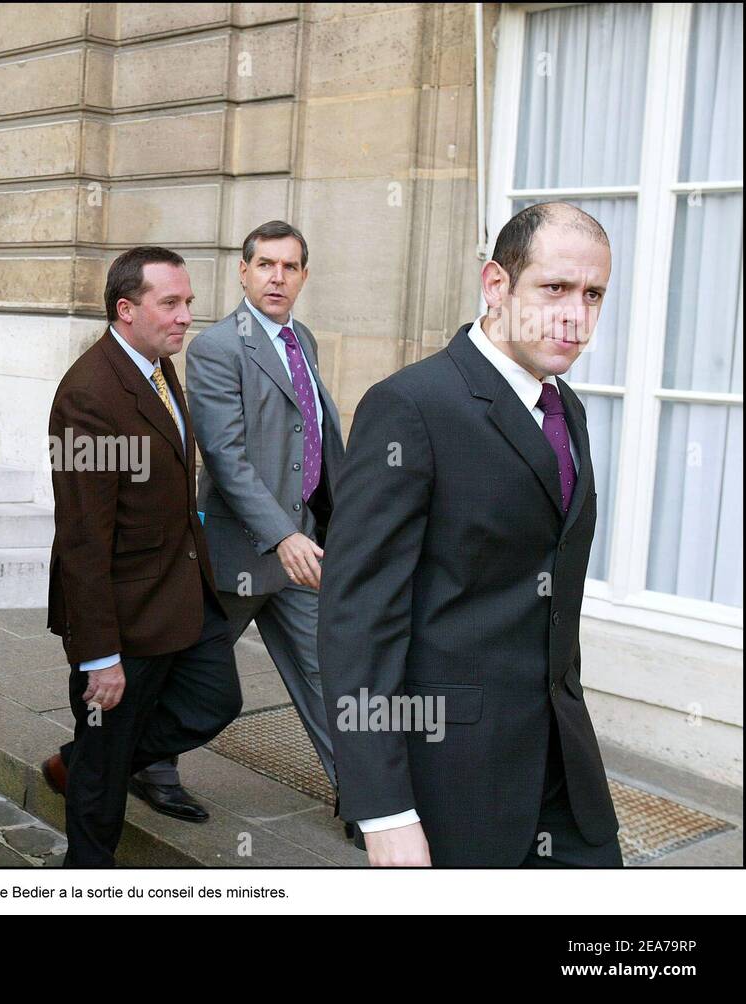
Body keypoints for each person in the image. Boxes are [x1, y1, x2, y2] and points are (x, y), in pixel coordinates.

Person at [319, 202, 622, 867]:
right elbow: (359, 618)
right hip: (451, 779)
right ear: (496, 286)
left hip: (562, 768)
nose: (576, 314)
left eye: (593, 294)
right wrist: (382, 805)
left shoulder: (563, 405)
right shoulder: (411, 406)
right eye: (555, 288)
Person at [131, 221, 346, 825]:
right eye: (266, 265)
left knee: (326, 670)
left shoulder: (303, 339)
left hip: (304, 550)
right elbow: (225, 457)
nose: (278, 277)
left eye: (290, 266)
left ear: (303, 276)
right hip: (244, 552)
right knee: (191, 667)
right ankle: (145, 765)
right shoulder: (219, 347)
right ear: (244, 272)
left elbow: (318, 441)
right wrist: (281, 533)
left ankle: (360, 794)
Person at [42, 245, 243, 867]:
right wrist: (100, 656)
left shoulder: (155, 365)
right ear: (125, 309)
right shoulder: (88, 396)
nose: (187, 316)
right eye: (172, 303)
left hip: (182, 593)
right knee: (103, 785)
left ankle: (85, 760)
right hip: (123, 614)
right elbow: (81, 539)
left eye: (189, 303)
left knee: (216, 700)